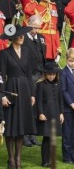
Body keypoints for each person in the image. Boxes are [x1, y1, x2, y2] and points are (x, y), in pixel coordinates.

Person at [0, 25, 36, 169]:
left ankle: (18, 158)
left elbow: (29, 74)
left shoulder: (27, 52)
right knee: (10, 126)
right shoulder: (4, 54)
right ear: (12, 37)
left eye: (23, 35)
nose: (22, 37)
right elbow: (1, 76)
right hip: (11, 88)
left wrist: (32, 93)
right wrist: (2, 95)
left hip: (25, 89)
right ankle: (11, 159)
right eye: (19, 35)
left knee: (21, 125)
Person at [23, 14, 46, 147]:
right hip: (28, 75)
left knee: (36, 105)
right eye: (34, 27)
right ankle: (25, 134)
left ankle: (32, 133)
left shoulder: (41, 38)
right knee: (27, 104)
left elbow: (43, 56)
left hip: (39, 75)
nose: (36, 30)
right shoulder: (23, 38)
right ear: (29, 23)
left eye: (38, 28)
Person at [36, 62, 64, 168]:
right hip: (46, 114)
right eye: (49, 74)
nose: (51, 76)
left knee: (53, 138)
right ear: (45, 74)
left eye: (53, 74)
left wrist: (61, 113)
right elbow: (38, 101)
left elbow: (60, 99)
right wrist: (41, 113)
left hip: (55, 113)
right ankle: (45, 161)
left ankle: (51, 159)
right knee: (46, 138)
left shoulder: (58, 84)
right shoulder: (40, 85)